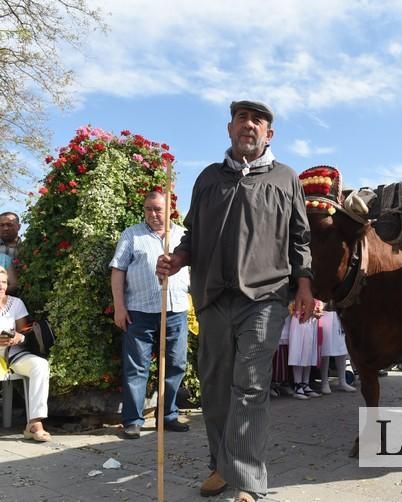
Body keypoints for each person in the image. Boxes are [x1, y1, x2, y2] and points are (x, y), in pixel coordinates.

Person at [156, 100, 314, 502]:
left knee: (251, 386)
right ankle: (221, 467)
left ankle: (247, 480)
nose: (249, 126)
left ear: (269, 134)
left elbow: (301, 240)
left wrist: (304, 286)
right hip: (212, 296)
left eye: (258, 121)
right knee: (214, 387)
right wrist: (177, 259)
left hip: (264, 297)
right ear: (230, 129)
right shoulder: (209, 178)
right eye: (242, 119)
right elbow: (192, 236)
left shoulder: (285, 179)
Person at [110, 191, 191, 439]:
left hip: (176, 309)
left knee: (175, 364)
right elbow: (118, 270)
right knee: (137, 367)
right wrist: (119, 307)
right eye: (148, 209)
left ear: (171, 210)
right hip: (139, 311)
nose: (153, 214)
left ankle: (167, 416)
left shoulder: (183, 237)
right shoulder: (132, 234)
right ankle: (133, 420)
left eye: (158, 209)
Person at [0, 266, 51, 441]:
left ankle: (34, 424)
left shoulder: (16, 303)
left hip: (13, 354)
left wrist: (18, 337)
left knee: (40, 365)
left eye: (4, 282)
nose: (1, 286)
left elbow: (25, 332)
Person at [318, 308, 356, 393]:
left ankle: (342, 381)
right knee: (325, 348)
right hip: (324, 312)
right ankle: (324, 382)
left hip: (338, 313)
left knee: (341, 348)